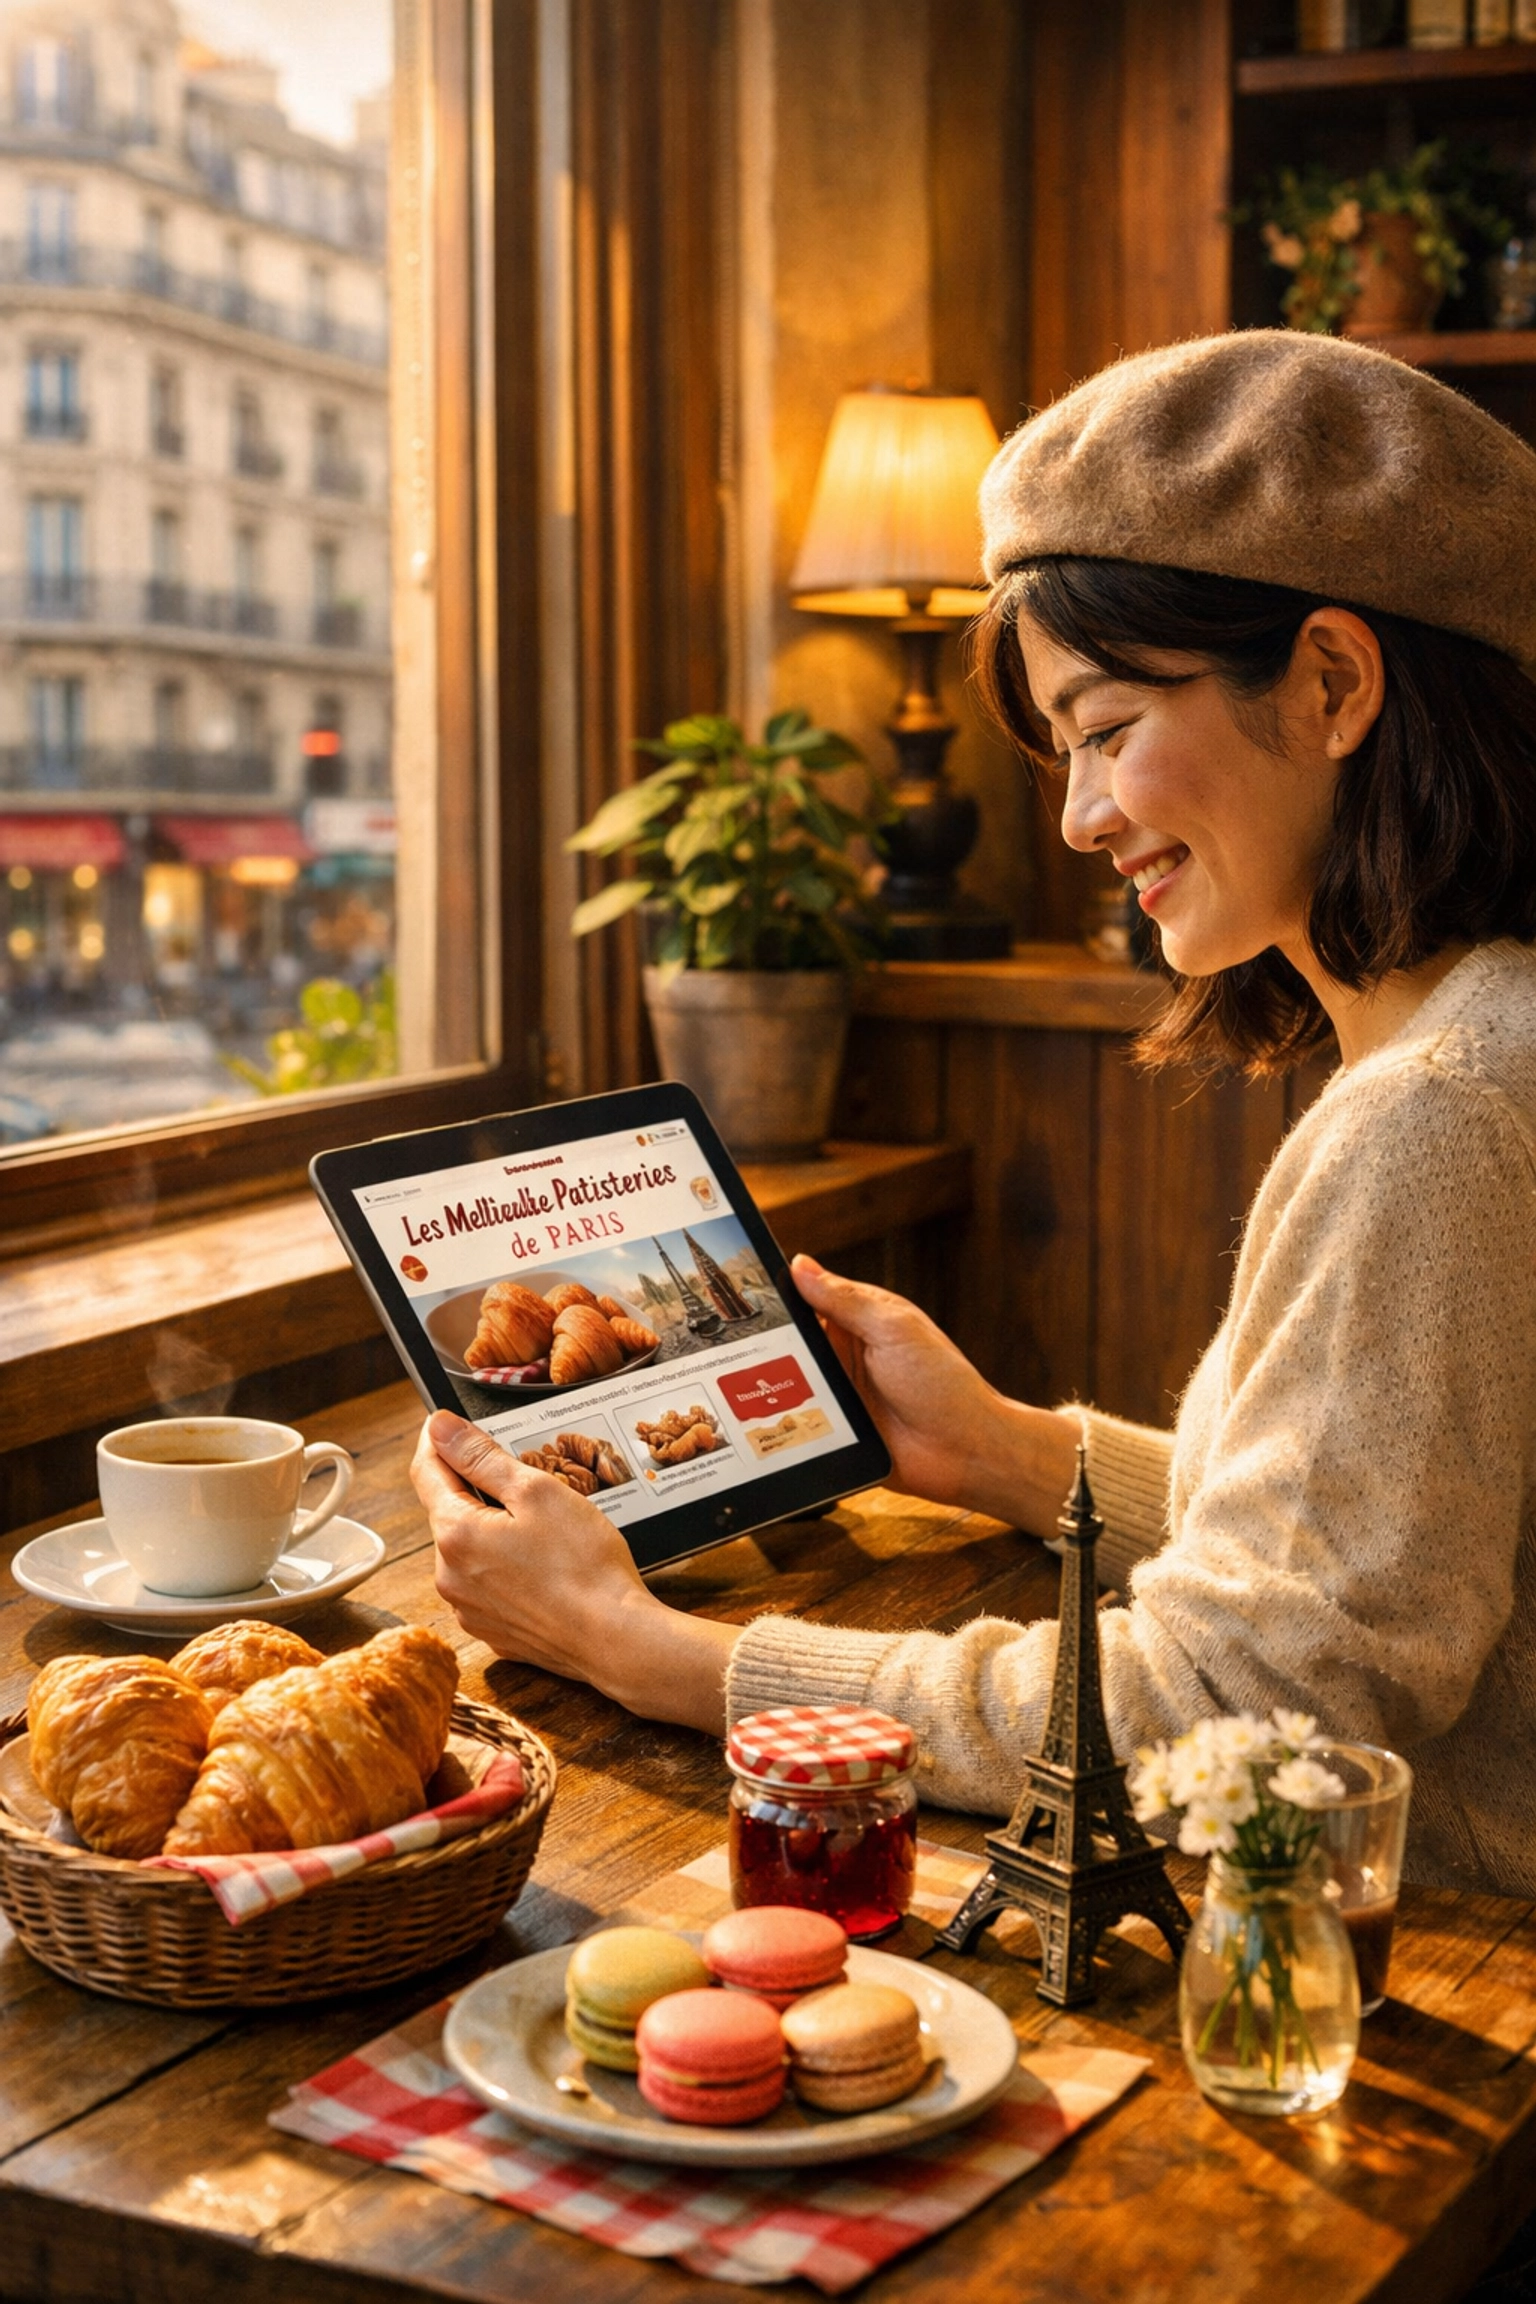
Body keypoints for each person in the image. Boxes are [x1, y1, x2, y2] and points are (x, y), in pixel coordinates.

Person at [413, 330, 1536, 1896]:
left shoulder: (1443, 1112)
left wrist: (648, 1648)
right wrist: (1012, 1451)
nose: (1080, 817)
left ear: (1335, 682)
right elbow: (1352, 1571)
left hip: (1449, 1977)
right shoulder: (1486, 1035)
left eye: (1107, 731)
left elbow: (1251, 1706)